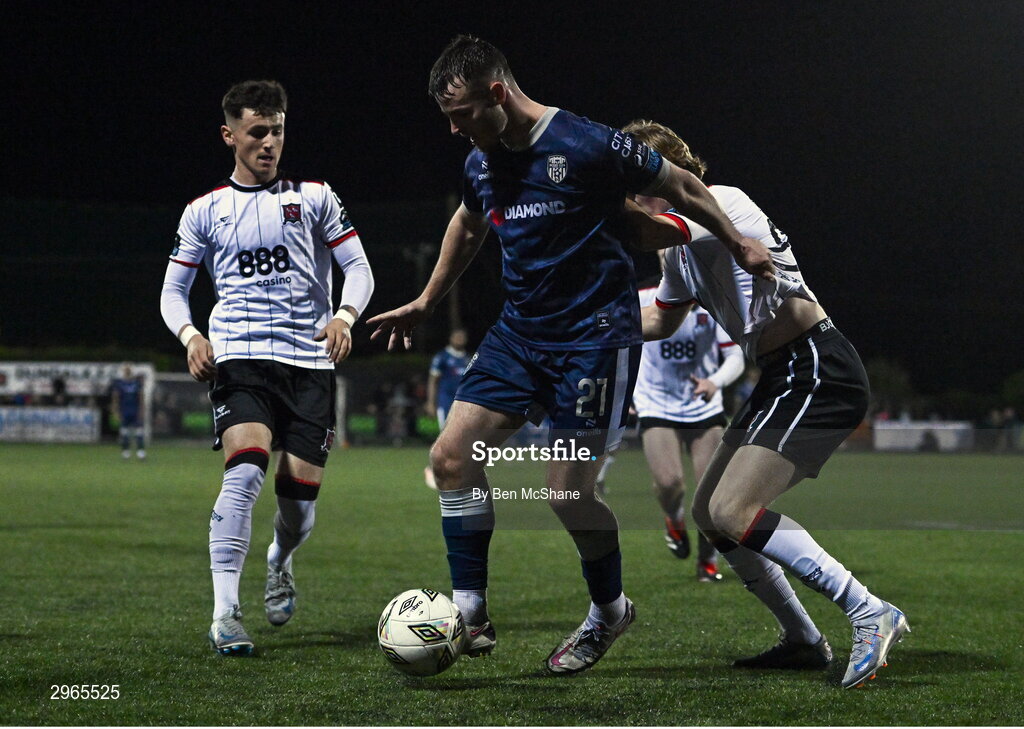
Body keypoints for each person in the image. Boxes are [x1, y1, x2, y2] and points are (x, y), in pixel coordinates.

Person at [367, 36, 774, 675]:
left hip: (593, 339)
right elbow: (469, 224)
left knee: (565, 495)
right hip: (519, 335)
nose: (453, 129)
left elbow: (682, 185)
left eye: (462, 113)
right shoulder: (482, 160)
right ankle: (470, 614)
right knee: (450, 456)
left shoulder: (588, 144)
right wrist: (424, 301)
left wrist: (737, 241)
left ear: (497, 94)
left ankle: (610, 610)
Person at [626, 119, 907, 689]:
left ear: (673, 178)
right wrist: (575, 324)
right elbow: (661, 317)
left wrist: (565, 195)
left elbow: (642, 232)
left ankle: (868, 609)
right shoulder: (678, 249)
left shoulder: (719, 206)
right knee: (711, 514)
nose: (632, 198)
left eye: (639, 184)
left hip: (816, 365)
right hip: (783, 372)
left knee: (732, 510)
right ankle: (803, 638)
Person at [159, 80, 374, 657]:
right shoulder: (205, 211)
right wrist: (190, 335)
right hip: (240, 358)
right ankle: (225, 612)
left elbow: (359, 269)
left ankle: (280, 560)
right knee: (246, 470)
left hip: (309, 363)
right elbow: (173, 291)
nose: (269, 142)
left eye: (277, 130)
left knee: (297, 505)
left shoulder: (317, 197)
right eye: (257, 132)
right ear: (230, 135)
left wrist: (345, 317)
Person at [633, 279, 744, 581]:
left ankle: (707, 561)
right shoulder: (641, 299)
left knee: (712, 496)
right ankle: (674, 518)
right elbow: (617, 346)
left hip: (704, 408)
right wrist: (623, 392)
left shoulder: (713, 302)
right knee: (670, 483)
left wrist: (715, 382)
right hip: (656, 404)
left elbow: (735, 355)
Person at [424, 329, 471, 488]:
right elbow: (433, 380)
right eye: (456, 335)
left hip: (463, 404)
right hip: (445, 403)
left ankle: (456, 472)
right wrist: (431, 402)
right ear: (450, 338)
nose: (459, 338)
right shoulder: (442, 357)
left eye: (462, 336)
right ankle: (434, 471)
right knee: (446, 438)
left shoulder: (468, 359)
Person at [110, 363, 145, 460]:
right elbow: (115, 398)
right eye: (126, 370)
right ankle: (126, 452)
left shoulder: (137, 383)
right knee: (124, 432)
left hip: (135, 410)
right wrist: (115, 411)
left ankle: (140, 452)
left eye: (129, 369)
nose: (127, 371)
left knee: (139, 432)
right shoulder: (119, 383)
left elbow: (141, 397)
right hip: (124, 411)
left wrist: (142, 410)